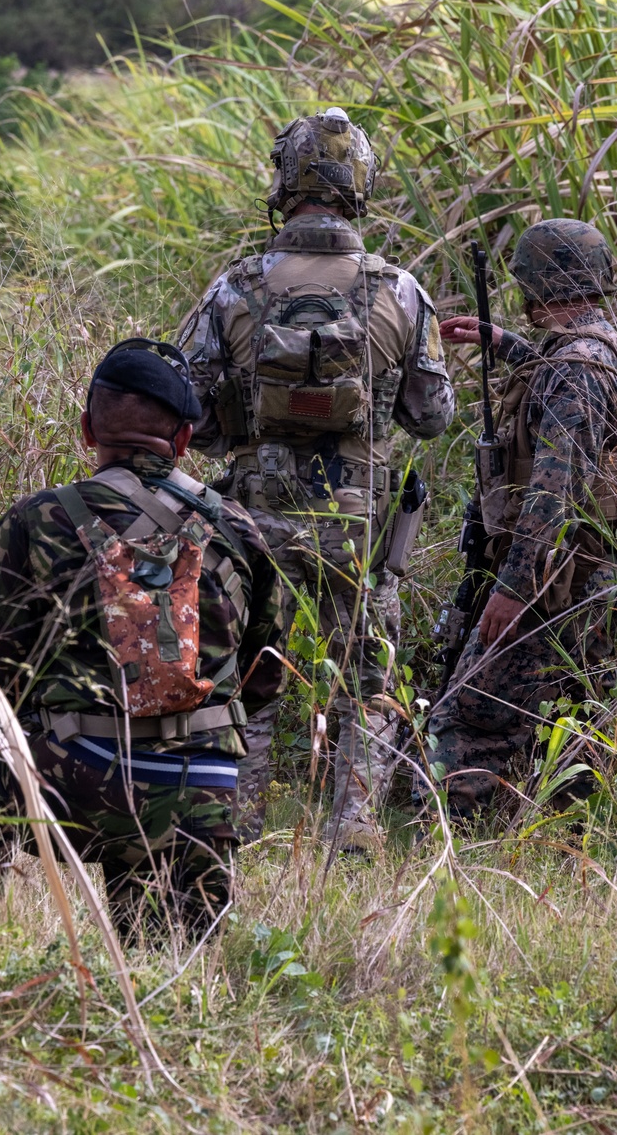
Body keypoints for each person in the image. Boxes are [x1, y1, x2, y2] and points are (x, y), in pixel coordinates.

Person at [179, 106, 454, 850]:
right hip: (357, 520)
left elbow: (190, 418)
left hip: (252, 517)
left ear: (283, 181)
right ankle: (355, 822)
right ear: (359, 186)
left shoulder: (233, 286)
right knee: (368, 673)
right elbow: (430, 415)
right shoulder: (399, 289)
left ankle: (236, 816)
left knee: (247, 663)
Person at [0, 339, 287, 935]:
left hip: (76, 787)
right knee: (176, 962)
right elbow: (265, 677)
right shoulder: (237, 529)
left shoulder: (36, 520)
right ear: (184, 439)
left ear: (87, 430)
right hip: (199, 797)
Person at [429, 218, 617, 818]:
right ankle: (567, 833)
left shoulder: (575, 370)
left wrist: (512, 590)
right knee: (570, 716)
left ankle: (440, 835)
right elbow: (571, 395)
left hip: (548, 581)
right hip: (589, 574)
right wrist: (505, 344)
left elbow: (554, 493)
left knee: (466, 718)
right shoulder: (606, 350)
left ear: (538, 285)